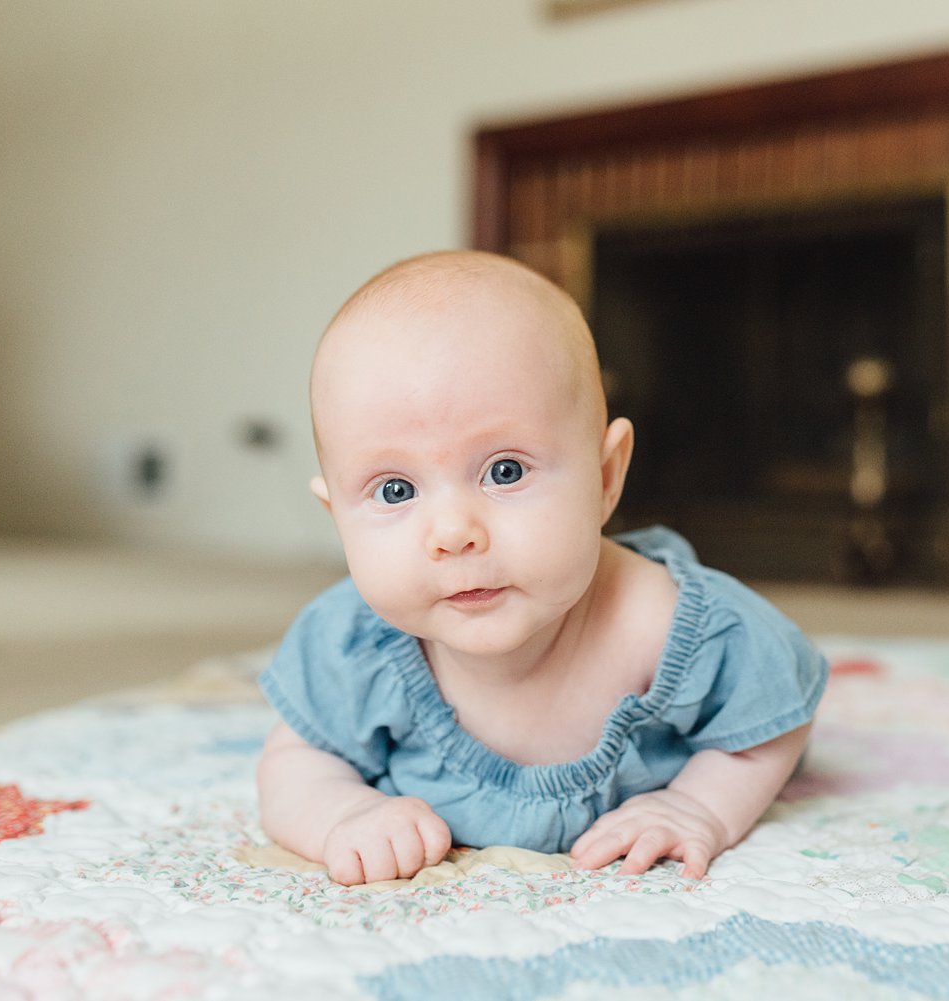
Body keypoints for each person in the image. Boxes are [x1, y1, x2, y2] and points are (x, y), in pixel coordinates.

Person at [256, 250, 828, 886]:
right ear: (337, 517)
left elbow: (775, 712)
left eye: (505, 471)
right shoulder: (352, 646)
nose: (452, 534)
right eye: (394, 490)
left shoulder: (671, 625)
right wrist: (345, 814)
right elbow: (296, 759)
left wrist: (696, 806)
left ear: (606, 477)